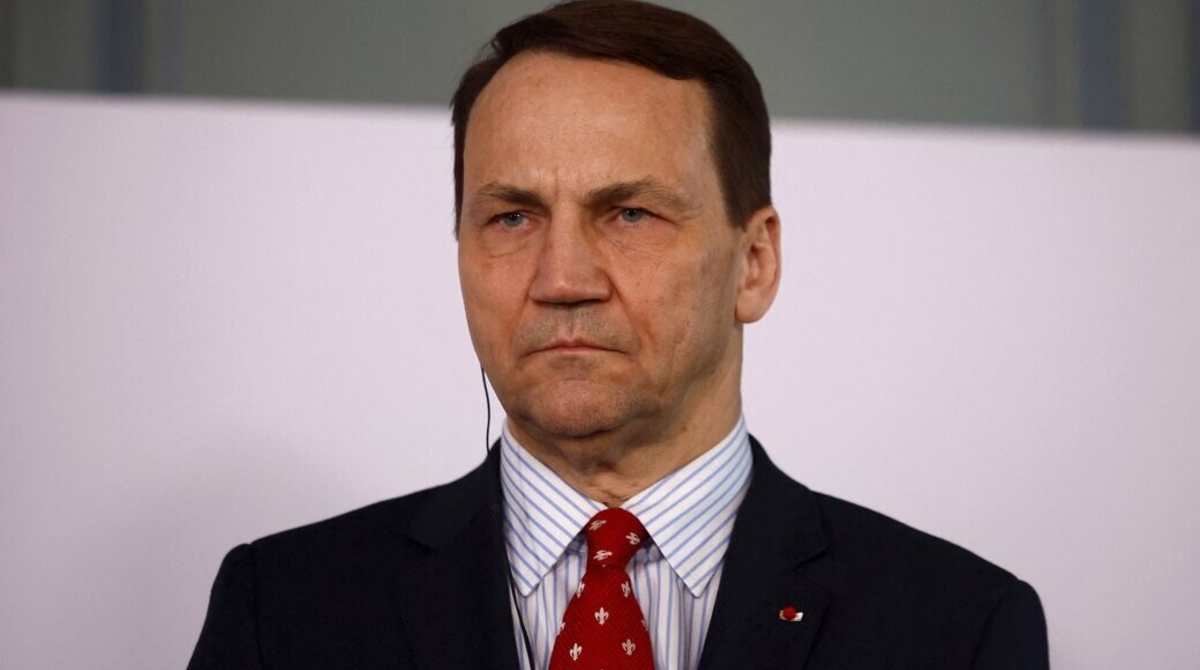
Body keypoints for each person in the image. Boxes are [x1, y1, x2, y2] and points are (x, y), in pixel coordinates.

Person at [187, 1, 1049, 668]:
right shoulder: (285, 611)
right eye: (513, 217)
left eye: (630, 213)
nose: (562, 279)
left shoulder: (958, 628)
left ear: (753, 264)